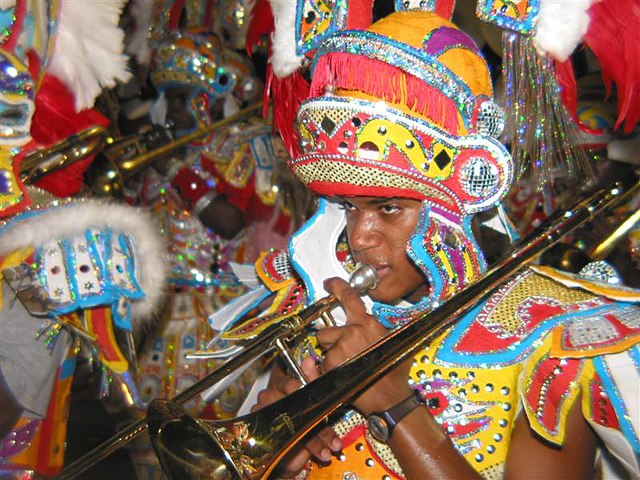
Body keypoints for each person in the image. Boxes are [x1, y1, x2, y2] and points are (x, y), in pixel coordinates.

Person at [241, 9, 640, 480]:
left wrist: (396, 407)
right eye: (349, 207)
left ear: (451, 209)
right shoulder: (320, 309)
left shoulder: (544, 342)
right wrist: (282, 464)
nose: (360, 237)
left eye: (388, 208)